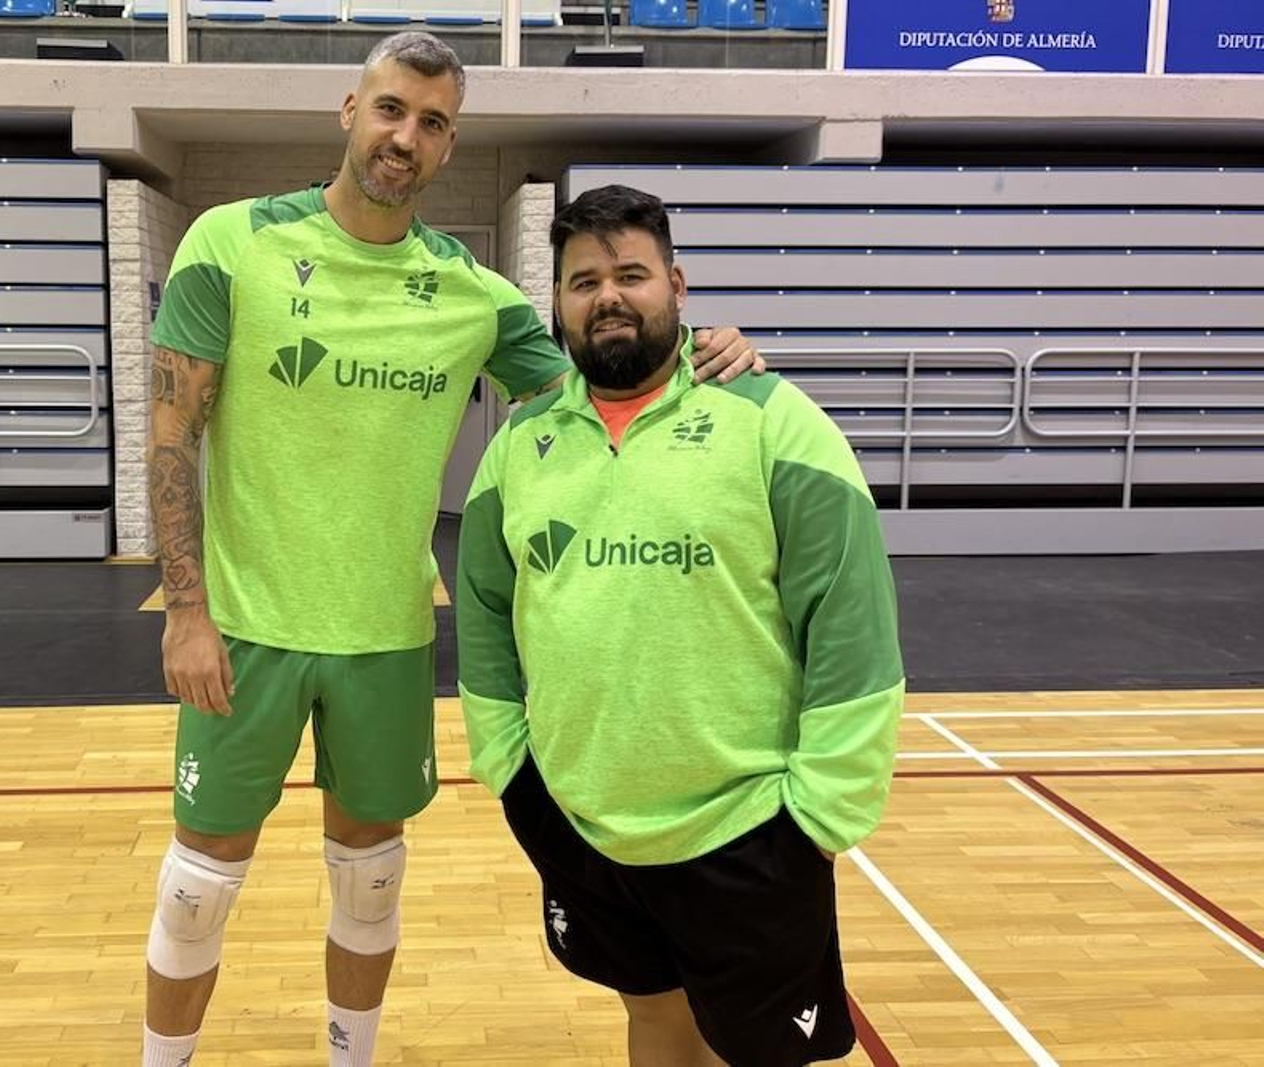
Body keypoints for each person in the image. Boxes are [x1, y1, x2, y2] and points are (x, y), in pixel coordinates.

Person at [143, 34, 765, 1067]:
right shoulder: (231, 241)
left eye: (432, 123)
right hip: (244, 632)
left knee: (371, 876)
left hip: (388, 635)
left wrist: (712, 354)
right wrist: (186, 610)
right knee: (199, 883)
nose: (407, 136)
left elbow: (597, 387)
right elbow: (174, 431)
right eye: (392, 110)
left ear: (448, 144)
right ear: (350, 110)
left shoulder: (472, 295)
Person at [455, 184, 905, 1067]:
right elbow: (483, 617)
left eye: (631, 273)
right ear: (556, 303)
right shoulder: (518, 446)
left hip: (750, 828)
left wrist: (820, 815)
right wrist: (512, 770)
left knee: (763, 1052)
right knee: (654, 1019)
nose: (608, 296)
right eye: (583, 281)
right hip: (583, 824)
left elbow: (853, 628)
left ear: (678, 283)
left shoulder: (777, 423)